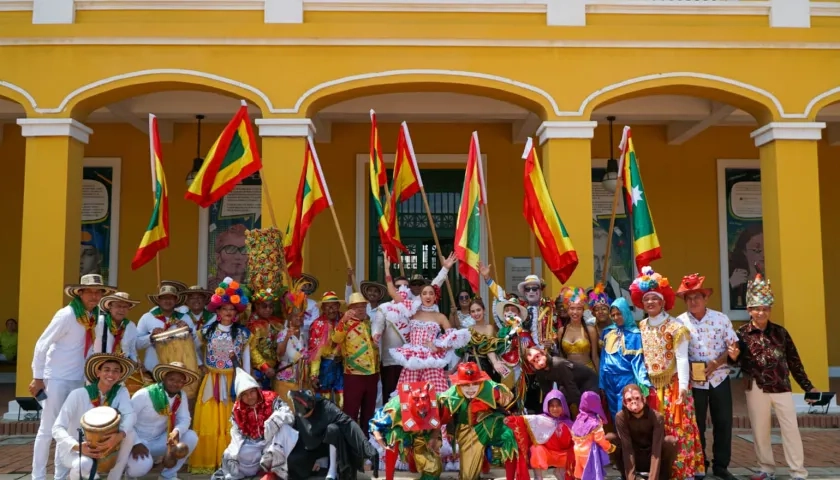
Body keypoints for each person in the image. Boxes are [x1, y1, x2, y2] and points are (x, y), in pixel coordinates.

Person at [31, 274, 116, 480]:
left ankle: (61, 475)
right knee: (47, 429)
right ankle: (38, 476)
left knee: (69, 429)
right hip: (58, 377)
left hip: (79, 379)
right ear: (80, 293)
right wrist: (38, 377)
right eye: (90, 292)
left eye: (98, 292)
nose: (94, 296)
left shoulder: (95, 317)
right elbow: (42, 344)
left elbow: (93, 350)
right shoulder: (67, 315)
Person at [734, 272, 818, 480]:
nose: (761, 313)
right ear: (749, 310)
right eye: (757, 309)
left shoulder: (781, 333)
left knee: (790, 429)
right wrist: (732, 356)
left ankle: (798, 471)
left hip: (781, 385)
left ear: (769, 310)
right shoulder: (741, 334)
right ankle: (766, 468)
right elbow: (733, 361)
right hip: (756, 386)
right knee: (760, 430)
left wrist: (808, 386)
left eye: (764, 309)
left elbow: (794, 361)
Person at [630, 266, 705, 480]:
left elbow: (682, 357)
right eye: (646, 300)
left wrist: (682, 387)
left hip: (673, 385)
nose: (650, 303)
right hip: (651, 386)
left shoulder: (675, 326)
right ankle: (658, 470)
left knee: (678, 428)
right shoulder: (641, 326)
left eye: (655, 299)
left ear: (663, 301)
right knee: (655, 430)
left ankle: (684, 471)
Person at [675, 273, 740, 480]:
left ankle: (721, 465)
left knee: (723, 422)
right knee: (697, 424)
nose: (693, 301)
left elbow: (733, 347)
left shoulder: (721, 319)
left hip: (719, 378)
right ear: (685, 301)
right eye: (689, 298)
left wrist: (717, 362)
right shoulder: (679, 323)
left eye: (697, 297)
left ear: (705, 299)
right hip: (695, 382)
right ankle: (699, 464)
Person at [191, 277, 253, 474]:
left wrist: (247, 383)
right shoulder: (207, 331)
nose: (228, 312)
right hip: (212, 380)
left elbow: (246, 358)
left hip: (233, 381)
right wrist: (201, 365)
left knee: (231, 419)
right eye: (224, 309)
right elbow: (194, 349)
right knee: (210, 419)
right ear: (217, 311)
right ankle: (210, 461)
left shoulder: (242, 333)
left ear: (236, 312)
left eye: (231, 309)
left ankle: (232, 462)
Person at [52, 353, 136, 480]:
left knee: (130, 434)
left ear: (119, 376)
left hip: (104, 445)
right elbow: (57, 428)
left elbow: (130, 415)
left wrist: (119, 436)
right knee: (84, 464)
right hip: (75, 449)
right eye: (106, 370)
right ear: (98, 373)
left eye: (115, 371)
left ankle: (114, 478)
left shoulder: (121, 392)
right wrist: (77, 446)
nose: (111, 374)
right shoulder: (78, 394)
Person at [438, 362, 521, 480]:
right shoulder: (451, 396)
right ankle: (483, 460)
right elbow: (441, 417)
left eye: (475, 384)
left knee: (510, 435)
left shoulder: (489, 387)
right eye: (466, 385)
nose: (471, 388)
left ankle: (512, 475)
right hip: (468, 432)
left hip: (490, 423)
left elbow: (508, 397)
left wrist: (495, 395)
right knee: (468, 478)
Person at [388, 282, 469, 394]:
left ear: (435, 297)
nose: (428, 296)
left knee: (435, 396)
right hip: (413, 359)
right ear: (420, 297)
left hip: (431, 360)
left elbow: (452, 341)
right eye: (424, 293)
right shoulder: (413, 312)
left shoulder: (440, 317)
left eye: (431, 293)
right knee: (409, 396)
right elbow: (395, 296)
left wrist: (437, 348)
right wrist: (387, 271)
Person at [219, 368, 298, 480]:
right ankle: (258, 470)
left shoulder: (271, 398)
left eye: (252, 392)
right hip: (254, 444)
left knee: (285, 430)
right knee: (231, 455)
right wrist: (234, 449)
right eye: (245, 394)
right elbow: (236, 433)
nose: (250, 396)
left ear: (257, 390)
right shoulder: (237, 408)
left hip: (273, 440)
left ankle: (273, 472)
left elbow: (289, 415)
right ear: (240, 397)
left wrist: (275, 420)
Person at [126, 362, 200, 479]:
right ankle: (129, 473)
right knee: (139, 469)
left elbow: (184, 419)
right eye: (172, 379)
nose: (176, 383)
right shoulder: (145, 394)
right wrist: (136, 443)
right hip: (137, 442)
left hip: (161, 441)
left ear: (184, 383)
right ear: (164, 378)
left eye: (180, 381)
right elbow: (126, 421)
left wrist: (177, 431)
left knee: (191, 437)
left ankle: (168, 476)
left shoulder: (181, 396)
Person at [287, 389, 379, 480]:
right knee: (291, 462)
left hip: (328, 445)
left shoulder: (327, 407)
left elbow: (349, 424)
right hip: (310, 446)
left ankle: (332, 470)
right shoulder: (298, 413)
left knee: (333, 429)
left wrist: (368, 448)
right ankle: (318, 466)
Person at [370, 381, 444, 480]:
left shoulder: (437, 401)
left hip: (424, 433)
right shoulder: (396, 406)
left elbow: (440, 418)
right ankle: (389, 477)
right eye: (416, 399)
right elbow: (375, 423)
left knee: (434, 470)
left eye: (424, 399)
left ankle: (415, 465)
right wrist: (383, 444)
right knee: (394, 436)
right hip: (403, 432)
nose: (421, 403)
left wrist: (434, 436)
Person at [333, 292, 380, 437]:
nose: (361, 309)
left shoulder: (369, 322)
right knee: (351, 409)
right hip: (354, 373)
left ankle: (366, 439)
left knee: (369, 409)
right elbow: (336, 338)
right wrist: (343, 321)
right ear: (350, 308)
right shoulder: (345, 323)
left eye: (363, 306)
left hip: (372, 372)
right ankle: (350, 439)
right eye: (357, 307)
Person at [599, 298, 651, 421]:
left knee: (624, 411)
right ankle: (618, 439)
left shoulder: (635, 334)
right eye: (613, 315)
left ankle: (627, 440)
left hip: (626, 379)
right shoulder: (608, 332)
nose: (616, 317)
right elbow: (603, 359)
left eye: (619, 314)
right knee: (612, 412)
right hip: (609, 380)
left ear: (626, 312)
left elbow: (638, 361)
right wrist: (601, 382)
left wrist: (643, 382)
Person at [612, 384, 677, 480]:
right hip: (634, 456)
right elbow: (627, 449)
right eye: (629, 400)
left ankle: (662, 477)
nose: (634, 402)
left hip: (652, 456)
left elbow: (656, 450)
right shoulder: (621, 417)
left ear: (644, 399)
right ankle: (625, 476)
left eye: (637, 398)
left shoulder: (656, 417)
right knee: (610, 439)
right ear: (624, 403)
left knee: (670, 441)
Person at [136, 285, 202, 373]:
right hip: (154, 367)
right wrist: (151, 337)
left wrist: (189, 332)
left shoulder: (185, 318)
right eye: (164, 298)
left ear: (176, 300)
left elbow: (197, 345)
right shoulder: (147, 317)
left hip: (180, 366)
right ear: (159, 300)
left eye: (171, 298)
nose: (167, 301)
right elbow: (137, 344)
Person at [522, 389, 575, 480]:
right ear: (547, 406)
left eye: (558, 405)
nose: (555, 409)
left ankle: (560, 472)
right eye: (552, 406)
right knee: (536, 448)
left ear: (563, 406)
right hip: (547, 454)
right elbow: (522, 420)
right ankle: (538, 477)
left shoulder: (569, 423)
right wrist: (510, 420)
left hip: (563, 456)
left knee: (578, 449)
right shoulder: (540, 420)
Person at [526, 347, 598, 410]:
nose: (537, 360)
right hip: (569, 385)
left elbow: (571, 386)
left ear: (543, 353)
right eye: (533, 361)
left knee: (587, 405)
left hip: (588, 381)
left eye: (537, 356)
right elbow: (547, 391)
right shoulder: (539, 372)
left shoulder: (558, 364)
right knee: (560, 400)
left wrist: (582, 409)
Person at [456, 298, 508, 383]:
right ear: (470, 314)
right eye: (473, 311)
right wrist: (453, 369)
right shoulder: (469, 330)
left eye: (478, 310)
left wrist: (495, 362)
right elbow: (463, 353)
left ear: (484, 310)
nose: (476, 313)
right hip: (469, 367)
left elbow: (488, 348)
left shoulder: (489, 328)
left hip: (485, 366)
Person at [309, 291, 345, 407]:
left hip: (343, 365)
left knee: (343, 398)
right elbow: (314, 352)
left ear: (338, 306)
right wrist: (314, 375)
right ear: (323, 308)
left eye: (334, 306)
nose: (331, 310)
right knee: (324, 399)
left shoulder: (345, 320)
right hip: (325, 365)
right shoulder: (317, 324)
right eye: (327, 306)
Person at [275, 280, 310, 401]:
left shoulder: (304, 334)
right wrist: (286, 338)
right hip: (286, 379)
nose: (299, 320)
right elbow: (279, 353)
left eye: (301, 317)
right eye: (296, 317)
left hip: (301, 378)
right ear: (289, 318)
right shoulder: (283, 333)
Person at [570, 391, 614, 480]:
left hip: (577, 451)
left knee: (581, 474)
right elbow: (600, 439)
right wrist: (609, 447)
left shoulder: (579, 418)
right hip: (589, 453)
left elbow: (573, 434)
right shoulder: (594, 422)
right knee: (592, 475)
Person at [557, 288, 600, 371]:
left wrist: (600, 380)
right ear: (568, 310)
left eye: (579, 309)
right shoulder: (561, 331)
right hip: (569, 375)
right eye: (572, 308)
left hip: (588, 374)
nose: (575, 312)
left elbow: (595, 357)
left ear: (583, 310)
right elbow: (561, 357)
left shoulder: (590, 330)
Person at [248, 288, 283, 390]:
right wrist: (265, 367)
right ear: (256, 306)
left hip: (276, 370)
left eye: (271, 306)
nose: (268, 309)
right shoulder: (252, 325)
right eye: (264, 306)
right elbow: (252, 349)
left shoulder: (277, 323)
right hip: (259, 371)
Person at [93, 292, 140, 361]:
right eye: (118, 306)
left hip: (122, 367)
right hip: (99, 365)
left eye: (125, 307)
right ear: (110, 307)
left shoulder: (130, 326)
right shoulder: (99, 322)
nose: (122, 310)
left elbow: (132, 351)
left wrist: (137, 363)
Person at [299, 273, 321, 343]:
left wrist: (302, 322)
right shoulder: (292, 302)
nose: (304, 286)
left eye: (306, 284)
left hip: (309, 334)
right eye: (301, 283)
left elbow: (315, 321)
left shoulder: (313, 304)